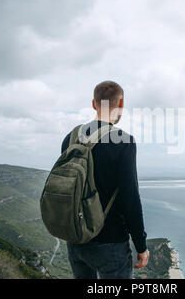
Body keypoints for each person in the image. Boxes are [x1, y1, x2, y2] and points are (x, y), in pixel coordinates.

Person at [62, 80, 149, 279]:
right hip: (110, 243)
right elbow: (131, 199)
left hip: (75, 237)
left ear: (94, 104)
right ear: (121, 105)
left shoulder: (71, 137)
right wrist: (141, 246)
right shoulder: (123, 141)